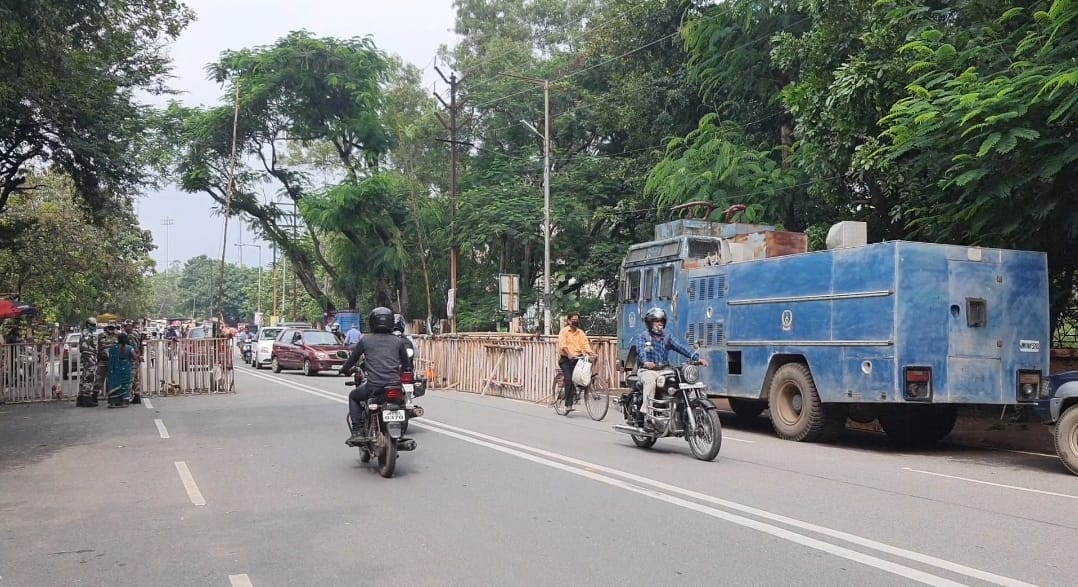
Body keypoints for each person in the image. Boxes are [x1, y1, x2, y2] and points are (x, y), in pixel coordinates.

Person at [339, 307, 413, 446]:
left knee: (353, 397)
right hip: (394, 386)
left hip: (374, 386)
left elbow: (352, 359)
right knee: (402, 403)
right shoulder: (398, 342)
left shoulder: (365, 341)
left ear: (372, 322)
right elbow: (406, 364)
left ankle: (358, 431)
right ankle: (401, 430)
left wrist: (344, 369)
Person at [635, 307, 708, 420]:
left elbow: (681, 347)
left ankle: (679, 408)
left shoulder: (667, 337)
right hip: (648, 370)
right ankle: (647, 415)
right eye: (656, 321)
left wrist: (697, 358)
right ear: (650, 323)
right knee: (650, 382)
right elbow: (641, 351)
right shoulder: (644, 336)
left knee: (681, 380)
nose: (659, 324)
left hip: (665, 370)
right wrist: (645, 362)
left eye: (661, 322)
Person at [556, 312, 596, 413]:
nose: (575, 321)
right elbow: (563, 345)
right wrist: (569, 353)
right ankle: (568, 404)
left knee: (582, 376)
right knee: (569, 379)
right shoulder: (564, 332)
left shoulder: (581, 333)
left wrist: (591, 352)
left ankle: (575, 393)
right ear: (569, 321)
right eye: (573, 320)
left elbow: (585, 344)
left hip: (578, 359)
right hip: (566, 359)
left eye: (577, 320)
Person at [106, 332, 138, 407]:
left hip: (114, 370)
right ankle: (124, 402)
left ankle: (113, 403)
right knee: (124, 385)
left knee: (114, 384)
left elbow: (109, 357)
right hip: (125, 369)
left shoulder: (113, 348)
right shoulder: (129, 348)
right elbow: (135, 357)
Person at [76, 317, 99, 407]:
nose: (94, 327)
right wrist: (91, 359)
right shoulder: (87, 334)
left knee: (84, 377)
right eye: (93, 325)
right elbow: (85, 349)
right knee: (89, 378)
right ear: (88, 325)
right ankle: (86, 398)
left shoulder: (85, 333)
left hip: (88, 358)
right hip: (89, 358)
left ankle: (80, 398)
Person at [94, 323, 118, 403]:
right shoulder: (100, 336)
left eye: (112, 327)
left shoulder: (117, 335)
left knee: (112, 380)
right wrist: (97, 359)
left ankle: (112, 397)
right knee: (99, 379)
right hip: (103, 361)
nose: (111, 329)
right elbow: (96, 348)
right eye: (109, 327)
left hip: (113, 361)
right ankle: (94, 396)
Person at [122, 321, 144, 404]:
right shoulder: (137, 333)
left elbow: (133, 348)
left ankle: (126, 398)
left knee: (129, 379)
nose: (124, 328)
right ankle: (137, 396)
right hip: (136, 358)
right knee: (135, 379)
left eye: (126, 326)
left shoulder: (131, 336)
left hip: (132, 359)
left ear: (131, 326)